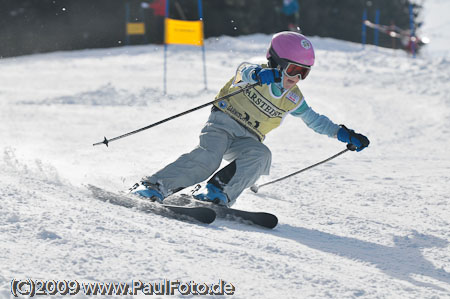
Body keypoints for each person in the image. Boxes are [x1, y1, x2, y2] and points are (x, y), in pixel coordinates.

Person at [132, 31, 370, 207]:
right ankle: (154, 185)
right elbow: (242, 72)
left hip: (248, 139)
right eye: (293, 70)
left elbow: (315, 120)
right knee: (209, 158)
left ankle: (217, 191)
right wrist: (258, 74)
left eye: (304, 73)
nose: (297, 78)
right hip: (222, 126)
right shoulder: (255, 73)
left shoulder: (293, 98)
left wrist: (343, 134)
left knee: (261, 155)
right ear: (277, 63)